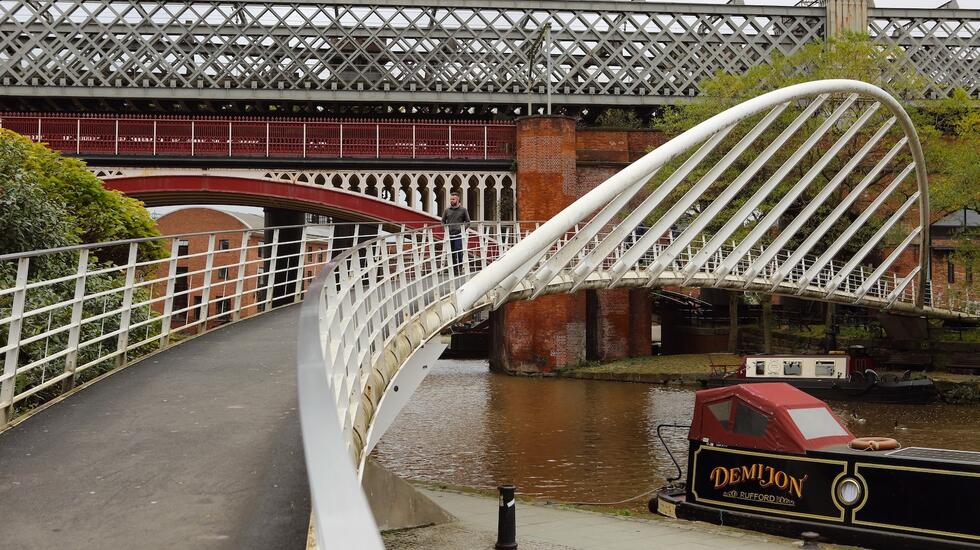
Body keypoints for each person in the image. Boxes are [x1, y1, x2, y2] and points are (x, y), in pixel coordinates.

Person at [441, 191, 470, 275]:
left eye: (453, 199)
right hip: (450, 234)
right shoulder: (447, 210)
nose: (451, 201)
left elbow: (468, 222)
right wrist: (445, 229)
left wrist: (462, 229)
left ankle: (460, 266)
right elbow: (442, 221)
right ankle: (455, 270)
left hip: (459, 234)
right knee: (452, 252)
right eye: (451, 199)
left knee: (459, 251)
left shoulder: (463, 210)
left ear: (458, 199)